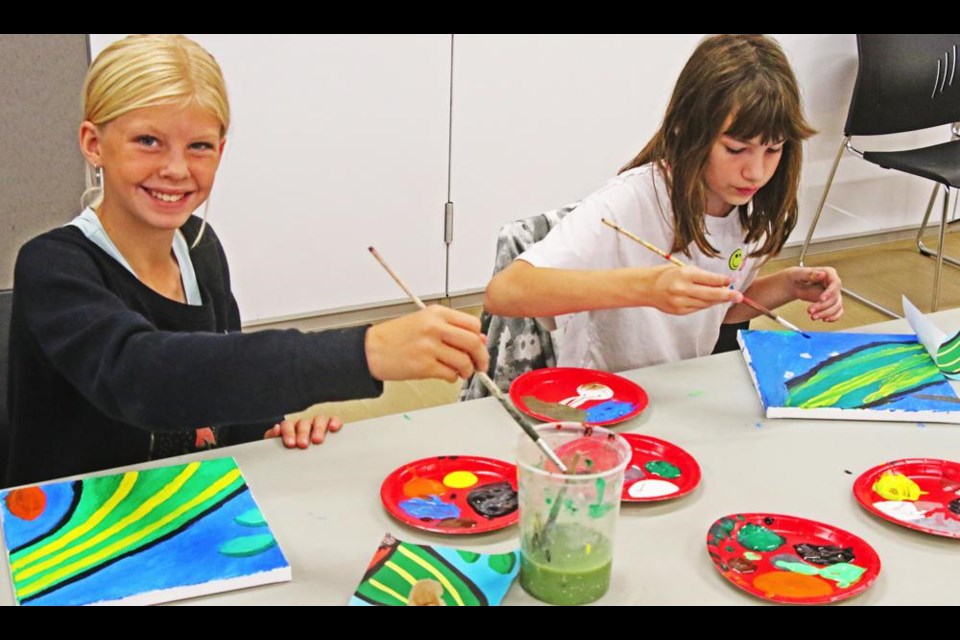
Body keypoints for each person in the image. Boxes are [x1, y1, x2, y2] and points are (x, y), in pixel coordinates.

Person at [5, 34, 488, 486]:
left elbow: (218, 384)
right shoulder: (52, 266)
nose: (175, 169)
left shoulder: (199, 246)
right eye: (147, 141)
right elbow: (143, 378)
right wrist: (366, 351)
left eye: (199, 147)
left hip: (191, 504)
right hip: (72, 526)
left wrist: (272, 428)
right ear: (94, 144)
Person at [484, 34, 843, 374]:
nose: (756, 171)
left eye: (773, 149)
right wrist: (647, 288)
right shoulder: (631, 202)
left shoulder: (751, 209)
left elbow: (721, 308)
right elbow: (505, 292)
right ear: (686, 129)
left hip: (679, 387)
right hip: (602, 397)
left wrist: (788, 286)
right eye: (735, 149)